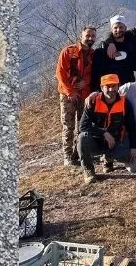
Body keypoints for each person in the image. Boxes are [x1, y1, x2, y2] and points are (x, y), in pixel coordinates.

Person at [76, 74, 136, 184]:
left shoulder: (125, 103)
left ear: (118, 86)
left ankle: (108, 159)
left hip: (115, 142)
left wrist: (134, 148)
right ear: (101, 88)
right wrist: (103, 133)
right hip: (96, 141)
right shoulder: (92, 101)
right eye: (107, 86)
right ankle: (88, 171)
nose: (111, 89)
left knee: (130, 159)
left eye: (114, 86)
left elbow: (132, 127)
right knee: (82, 138)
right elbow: (83, 126)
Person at [54, 26, 95, 166]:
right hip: (68, 95)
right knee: (68, 125)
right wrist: (70, 91)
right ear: (81, 35)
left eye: (93, 36)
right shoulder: (68, 51)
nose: (90, 38)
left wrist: (86, 81)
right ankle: (67, 155)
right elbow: (60, 72)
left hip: (85, 94)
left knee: (83, 125)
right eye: (87, 35)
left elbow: (94, 73)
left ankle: (79, 153)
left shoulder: (93, 54)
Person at [91, 15, 136, 93]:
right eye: (115, 28)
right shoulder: (103, 48)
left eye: (121, 27)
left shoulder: (131, 44)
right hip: (110, 89)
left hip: (128, 87)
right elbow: (96, 72)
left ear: (125, 28)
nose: (118, 30)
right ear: (111, 29)